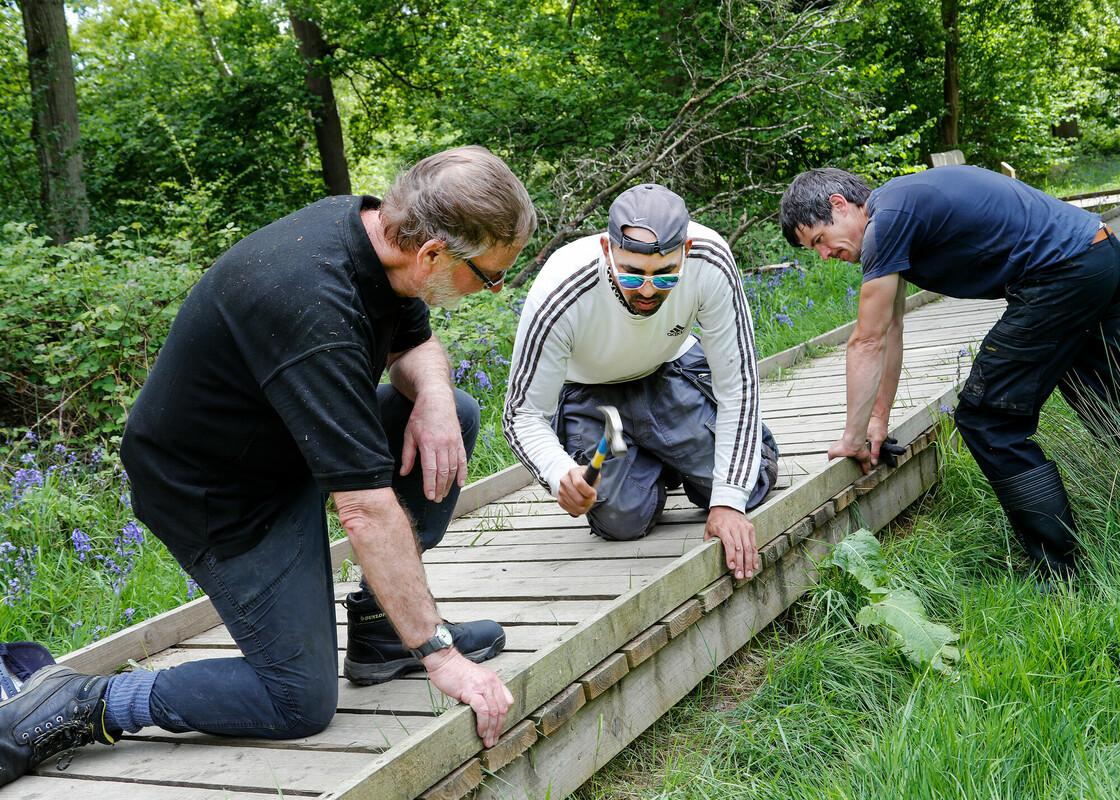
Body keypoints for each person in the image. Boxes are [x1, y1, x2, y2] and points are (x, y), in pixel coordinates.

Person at [0, 145, 537, 786]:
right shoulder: (313, 306)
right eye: (490, 276)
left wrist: (439, 401)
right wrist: (442, 657)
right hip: (217, 491)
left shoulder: (374, 234)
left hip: (283, 441)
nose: (494, 289)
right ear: (432, 255)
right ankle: (87, 701)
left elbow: (414, 342)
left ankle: (379, 634)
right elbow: (364, 510)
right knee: (295, 701)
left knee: (455, 417)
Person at [779, 165, 1119, 580]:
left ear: (840, 205)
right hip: (1097, 254)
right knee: (1103, 400)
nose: (825, 255)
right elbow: (889, 329)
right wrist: (877, 421)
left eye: (819, 240)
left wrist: (850, 439)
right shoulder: (898, 209)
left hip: (1061, 272)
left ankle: (1061, 571)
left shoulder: (888, 222)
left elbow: (866, 341)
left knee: (988, 419)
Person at [503, 184, 778, 582]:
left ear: (685, 250)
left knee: (744, 488)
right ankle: (658, 459)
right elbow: (522, 414)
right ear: (606, 250)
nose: (648, 290)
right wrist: (559, 471)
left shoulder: (710, 257)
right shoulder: (559, 291)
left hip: (671, 369)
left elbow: (738, 383)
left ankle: (740, 446)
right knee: (620, 522)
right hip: (590, 394)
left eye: (666, 276)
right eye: (632, 275)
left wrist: (729, 502)